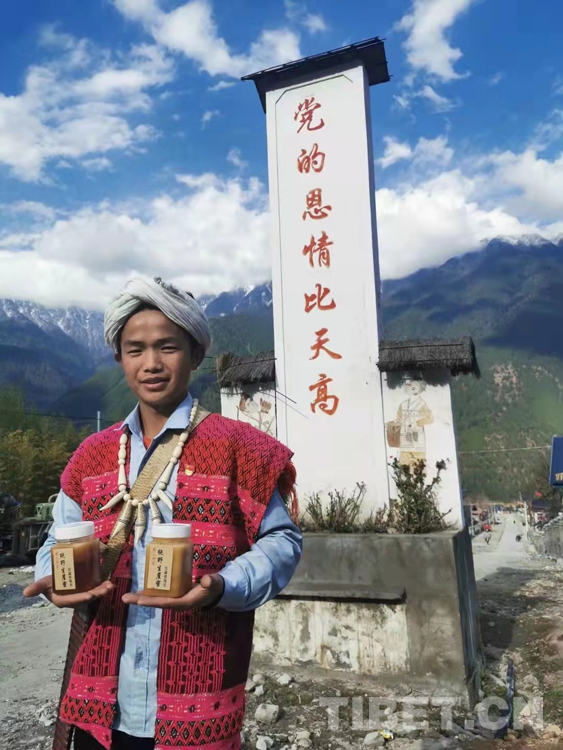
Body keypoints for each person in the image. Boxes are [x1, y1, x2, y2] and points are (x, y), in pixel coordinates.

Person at [24, 277, 302, 750]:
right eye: (135, 350)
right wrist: (52, 577)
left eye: (167, 347)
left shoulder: (242, 449)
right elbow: (58, 537)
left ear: (195, 355)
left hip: (200, 703)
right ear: (119, 358)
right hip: (97, 706)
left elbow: (282, 541)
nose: (151, 363)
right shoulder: (91, 456)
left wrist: (221, 586)